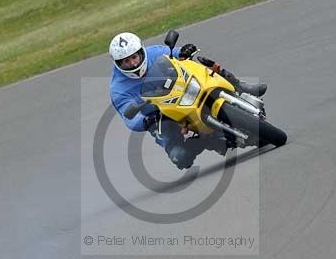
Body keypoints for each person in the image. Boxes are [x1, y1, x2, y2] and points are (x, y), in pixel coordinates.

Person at [109, 32, 267, 169]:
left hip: (181, 90)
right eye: (126, 61)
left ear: (141, 52)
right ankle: (204, 141)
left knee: (201, 65)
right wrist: (146, 121)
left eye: (134, 57)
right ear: (118, 64)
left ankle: (240, 85)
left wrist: (185, 51)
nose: (133, 63)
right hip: (161, 116)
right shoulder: (117, 89)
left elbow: (176, 54)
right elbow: (129, 118)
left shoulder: (154, 52)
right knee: (180, 157)